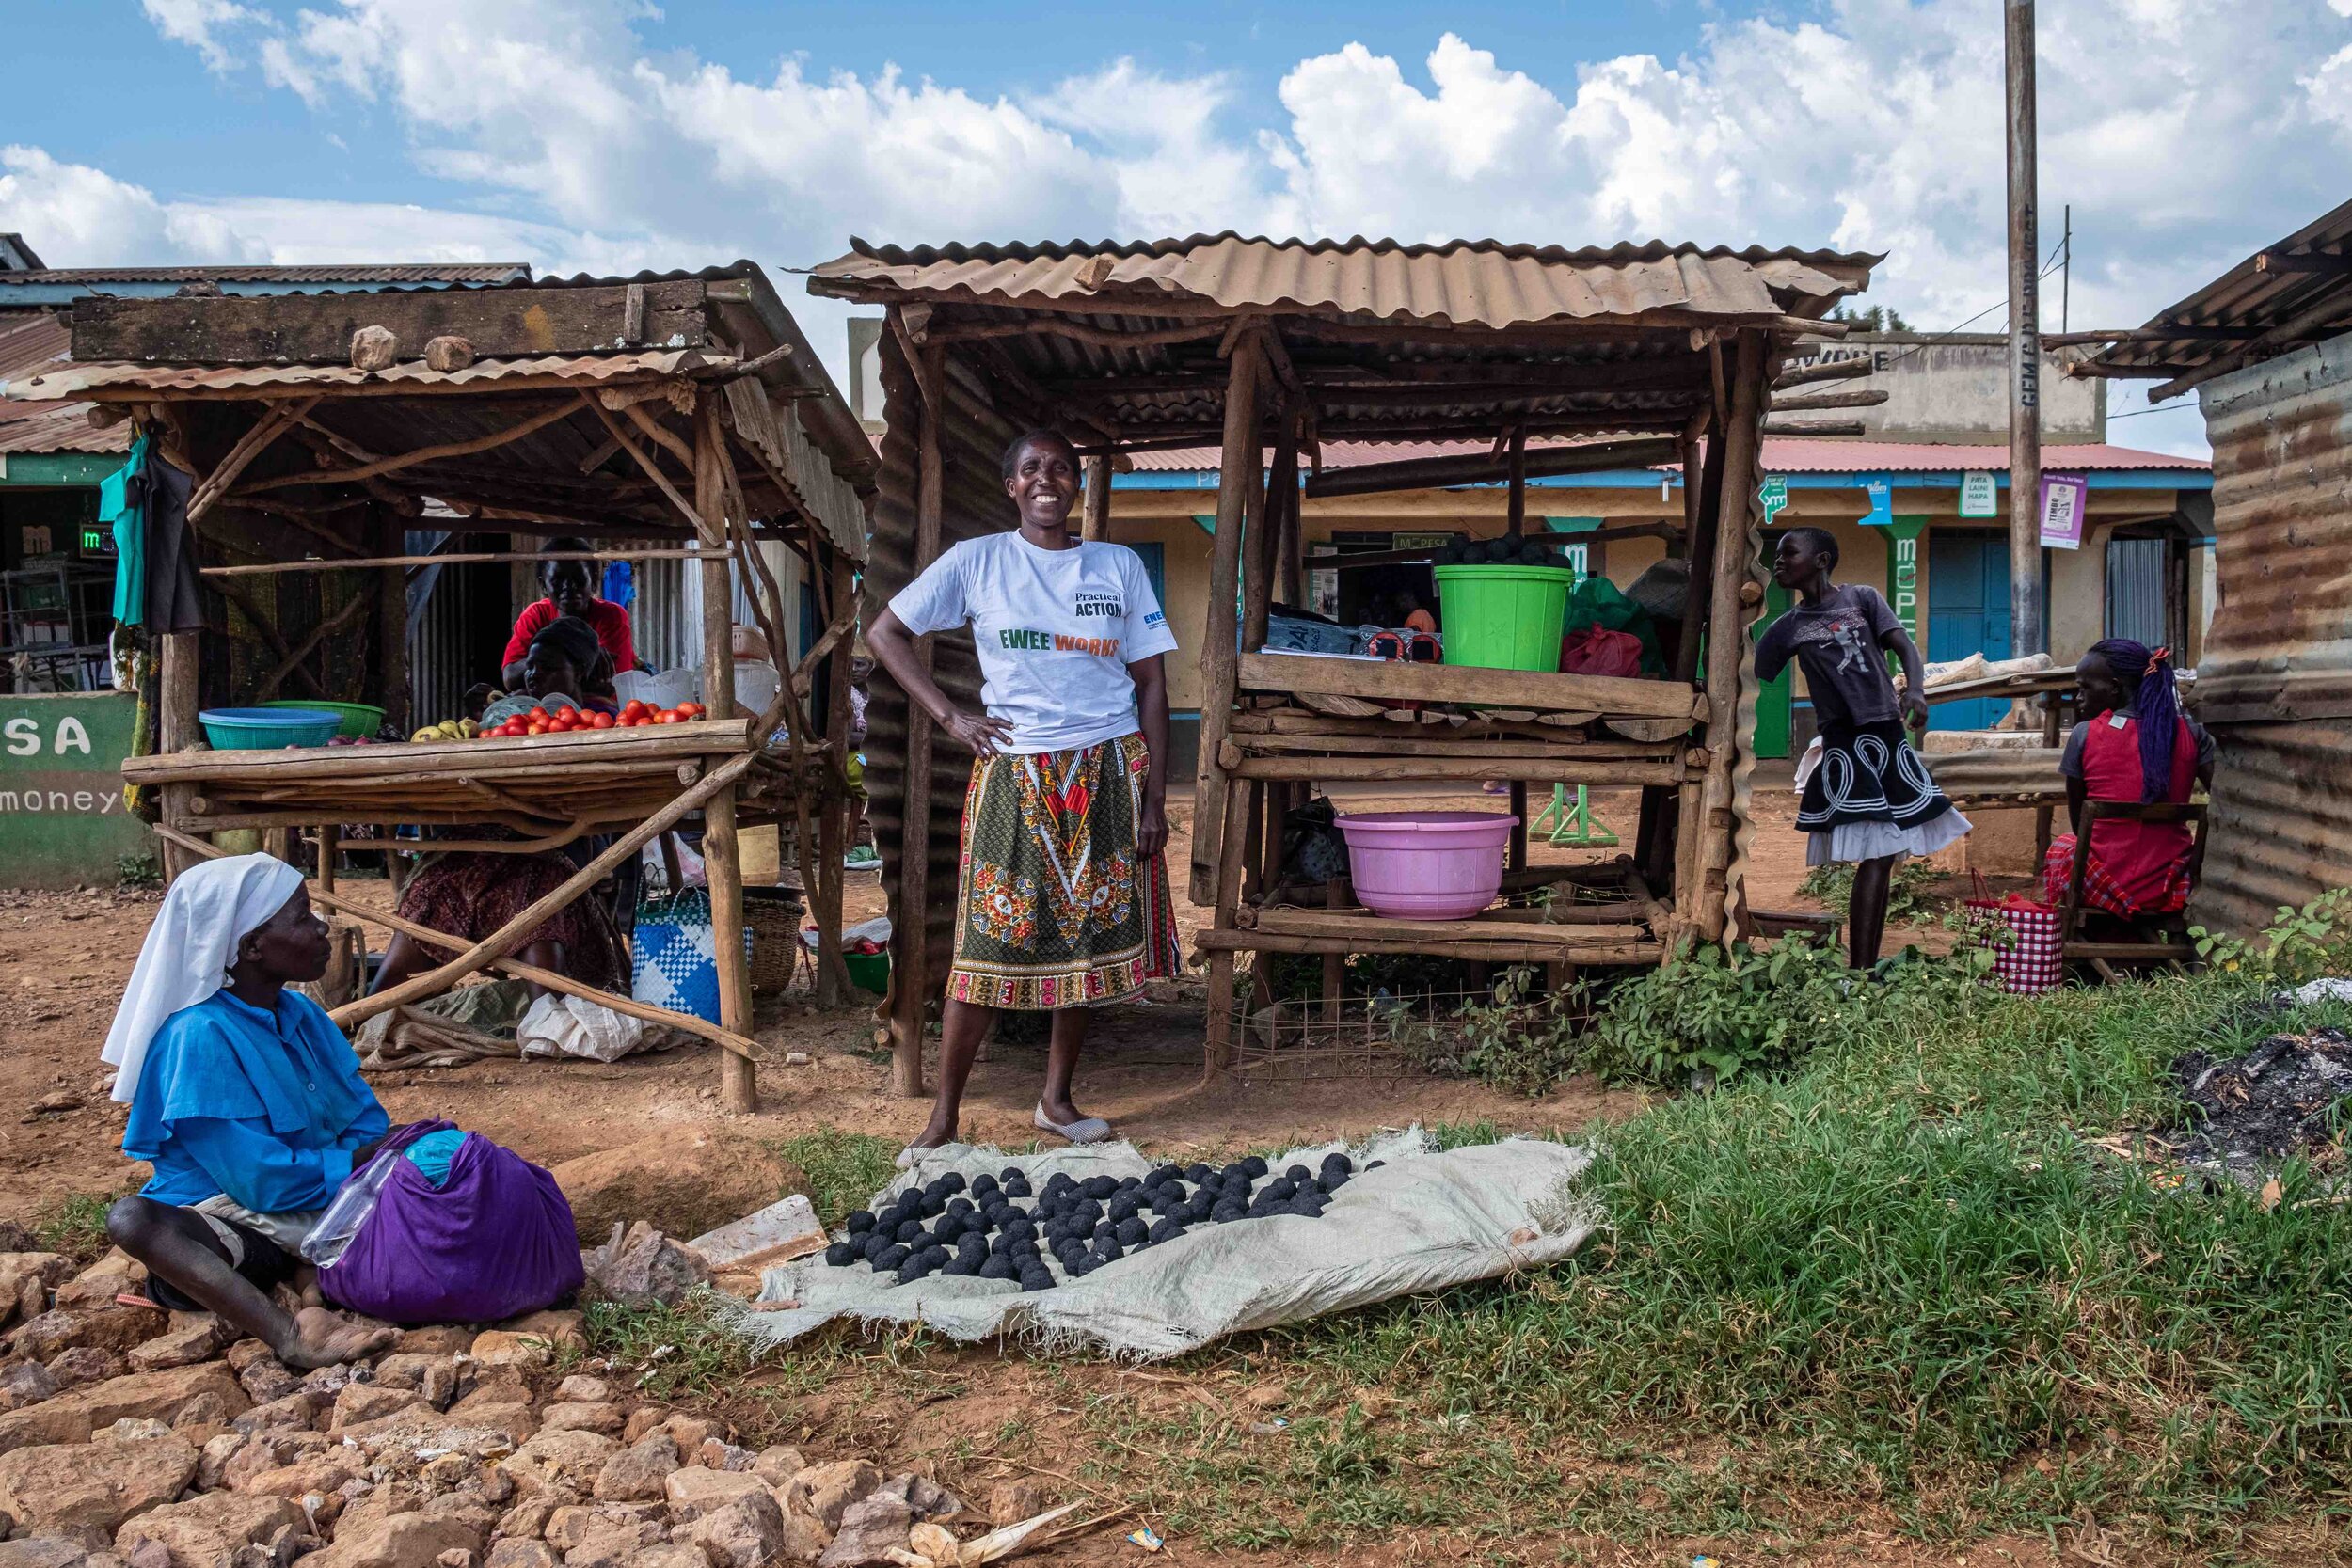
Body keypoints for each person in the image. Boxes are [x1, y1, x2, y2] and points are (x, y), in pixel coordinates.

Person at [866, 428, 1180, 1160]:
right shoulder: (979, 562)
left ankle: (1056, 1099)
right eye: (1031, 468)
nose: (1047, 478)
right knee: (986, 943)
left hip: (1108, 769)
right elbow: (884, 630)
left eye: (1061, 469)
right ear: (1011, 486)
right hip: (1016, 773)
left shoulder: (1119, 566)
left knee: (1086, 939)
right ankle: (944, 1118)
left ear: (1077, 486)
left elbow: (1154, 684)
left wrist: (1156, 799)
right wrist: (949, 715)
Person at [101, 856, 399, 1368]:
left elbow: (365, 1121)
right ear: (251, 947)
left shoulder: (301, 1013)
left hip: (317, 1196)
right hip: (236, 1215)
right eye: (303, 916)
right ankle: (290, 1335)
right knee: (134, 1218)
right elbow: (259, 1184)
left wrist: (380, 1157)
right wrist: (359, 1163)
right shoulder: (199, 1035)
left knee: (450, 1165)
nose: (322, 927)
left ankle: (309, 1284)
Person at [370, 620, 633, 1000]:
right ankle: (377, 1008)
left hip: (560, 852)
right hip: (483, 853)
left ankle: (551, 1016)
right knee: (433, 890)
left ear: (582, 672)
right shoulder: (508, 723)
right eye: (530, 666)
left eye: (549, 668)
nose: (533, 676)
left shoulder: (601, 723)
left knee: (538, 898)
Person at [1756, 527, 1969, 967]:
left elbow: (1903, 645)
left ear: (1821, 560)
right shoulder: (1787, 627)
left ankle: (1862, 967)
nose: (1778, 562)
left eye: (1787, 553)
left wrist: (1917, 691)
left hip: (1887, 737)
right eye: (1776, 556)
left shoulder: (1862, 598)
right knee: (1878, 854)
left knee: (1883, 854)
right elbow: (1756, 669)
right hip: (1845, 744)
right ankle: (1862, 969)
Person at [2043, 639, 2214, 927]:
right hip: (2169, 883)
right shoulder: (2191, 734)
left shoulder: (2085, 736)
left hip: (2105, 884)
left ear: (2114, 688)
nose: (2078, 697)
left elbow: (2078, 824)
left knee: (2063, 846)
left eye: (2085, 687)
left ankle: (2089, 942)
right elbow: (2223, 798)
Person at [501, 538, 636, 689]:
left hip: (596, 709)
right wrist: (582, 654)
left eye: (578, 579)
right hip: (544, 708)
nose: (569, 586)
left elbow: (612, 684)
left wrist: (540, 662)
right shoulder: (535, 615)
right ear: (543, 585)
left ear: (593, 581)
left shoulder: (611, 616)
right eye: (557, 580)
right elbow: (510, 678)